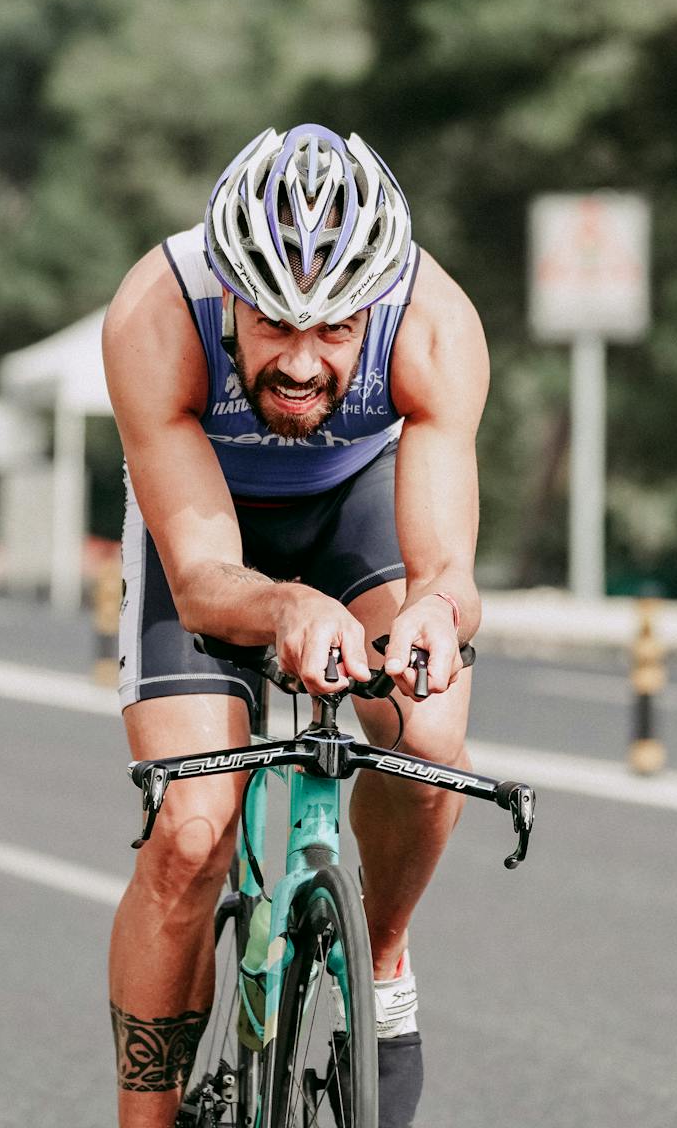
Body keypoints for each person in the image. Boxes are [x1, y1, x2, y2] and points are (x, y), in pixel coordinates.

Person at [100, 123, 489, 1128]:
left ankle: (384, 952)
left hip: (354, 497)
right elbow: (201, 582)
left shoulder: (434, 321)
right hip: (211, 522)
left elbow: (448, 565)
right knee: (191, 832)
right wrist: (283, 604)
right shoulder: (156, 316)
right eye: (275, 324)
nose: (305, 363)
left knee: (430, 734)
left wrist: (436, 615)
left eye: (337, 329)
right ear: (229, 290)